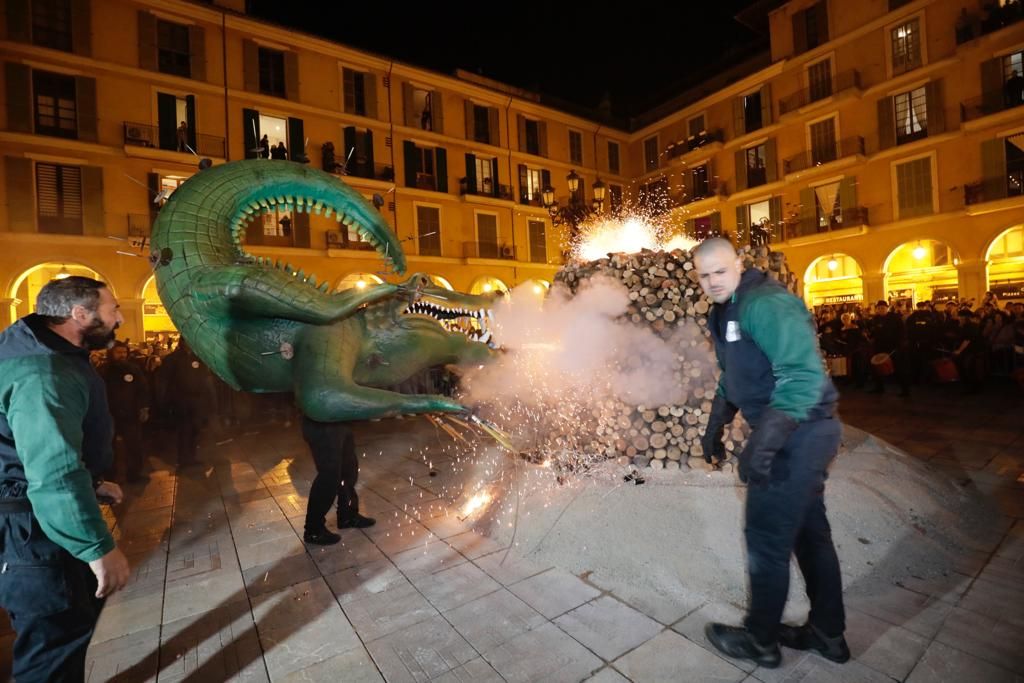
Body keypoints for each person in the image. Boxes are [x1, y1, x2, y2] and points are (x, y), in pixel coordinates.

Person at [694, 238, 847, 669]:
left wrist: (763, 444)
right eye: (703, 275)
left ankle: (760, 641)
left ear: (738, 265)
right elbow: (737, 373)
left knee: (766, 538)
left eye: (719, 271)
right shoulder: (726, 310)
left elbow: (802, 377)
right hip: (795, 433)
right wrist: (717, 422)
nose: (711, 282)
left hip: (800, 431)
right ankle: (827, 634)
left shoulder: (765, 303)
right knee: (808, 534)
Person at [0, 276, 132, 680]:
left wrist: (92, 483)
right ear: (80, 314)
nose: (120, 318)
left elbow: (29, 446)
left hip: (32, 516)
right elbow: (52, 472)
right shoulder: (45, 373)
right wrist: (96, 548)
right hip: (33, 531)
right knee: (53, 644)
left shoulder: (35, 351)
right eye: (112, 310)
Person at [300, 418, 376, 545]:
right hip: (322, 423)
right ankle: (313, 530)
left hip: (341, 421)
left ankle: (347, 515)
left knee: (348, 469)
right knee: (329, 476)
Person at [159, 339, 215, 466]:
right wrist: (166, 401)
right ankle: (183, 459)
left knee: (196, 429)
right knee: (184, 430)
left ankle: (192, 457)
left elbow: (204, 378)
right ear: (182, 342)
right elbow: (164, 380)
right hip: (181, 401)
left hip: (197, 401)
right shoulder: (172, 359)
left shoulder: (198, 357)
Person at [102, 342, 151, 482]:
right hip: (110, 415)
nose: (122, 355)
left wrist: (144, 408)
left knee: (134, 445)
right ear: (111, 353)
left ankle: (134, 474)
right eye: (118, 352)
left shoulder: (133, 369)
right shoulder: (104, 370)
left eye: (124, 352)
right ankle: (110, 476)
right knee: (109, 447)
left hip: (131, 414)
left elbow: (143, 389)